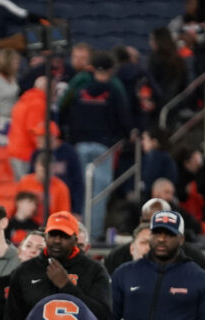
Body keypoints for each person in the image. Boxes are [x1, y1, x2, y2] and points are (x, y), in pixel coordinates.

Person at [3, 212, 111, 320]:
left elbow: (103, 317)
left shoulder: (94, 270)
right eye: (53, 234)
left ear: (75, 239)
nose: (57, 240)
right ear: (46, 237)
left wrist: (66, 286)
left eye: (64, 235)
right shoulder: (25, 270)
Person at [63, 51, 130, 237]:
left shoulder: (79, 90)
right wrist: (124, 137)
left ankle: (77, 234)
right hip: (103, 148)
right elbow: (124, 119)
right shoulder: (114, 91)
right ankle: (92, 237)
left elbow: (65, 112)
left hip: (80, 146)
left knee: (80, 193)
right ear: (110, 70)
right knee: (99, 196)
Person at [15, 152, 71, 222]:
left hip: (50, 227)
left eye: (48, 171)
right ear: (36, 166)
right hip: (26, 224)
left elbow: (63, 216)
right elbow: (15, 207)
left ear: (53, 169)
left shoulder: (61, 187)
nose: (45, 175)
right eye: (42, 171)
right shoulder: (24, 182)